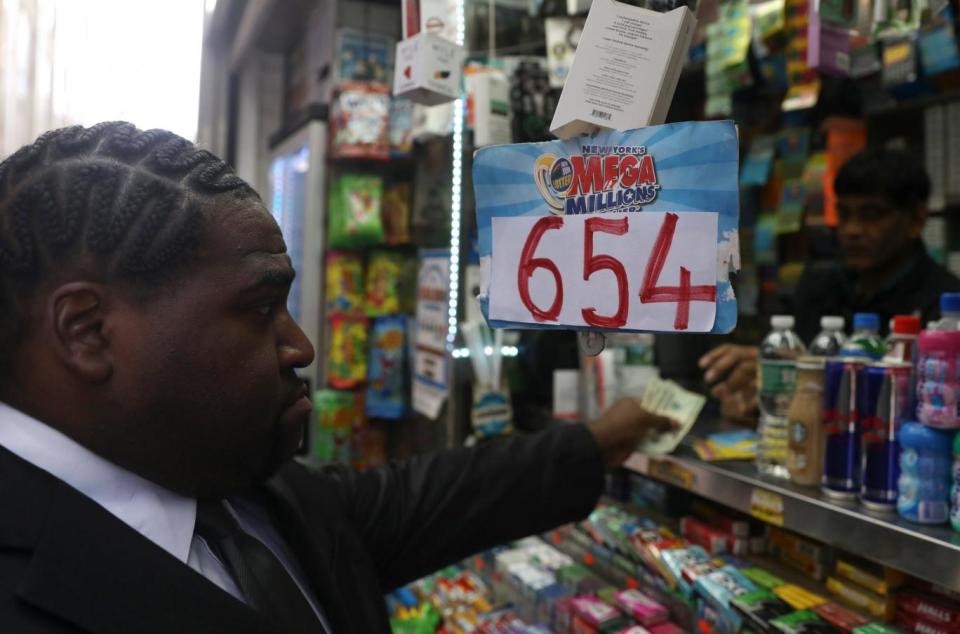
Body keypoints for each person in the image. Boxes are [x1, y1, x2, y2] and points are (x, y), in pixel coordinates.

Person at [0, 122, 675, 633]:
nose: (300, 347)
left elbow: (408, 502)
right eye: (261, 308)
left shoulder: (230, 485)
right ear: (87, 331)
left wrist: (595, 440)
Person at [700, 147, 960, 422]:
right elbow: (784, 389)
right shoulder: (818, 287)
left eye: (871, 215)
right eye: (844, 214)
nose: (851, 230)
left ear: (916, 221)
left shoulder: (946, 308)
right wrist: (753, 400)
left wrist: (805, 376)